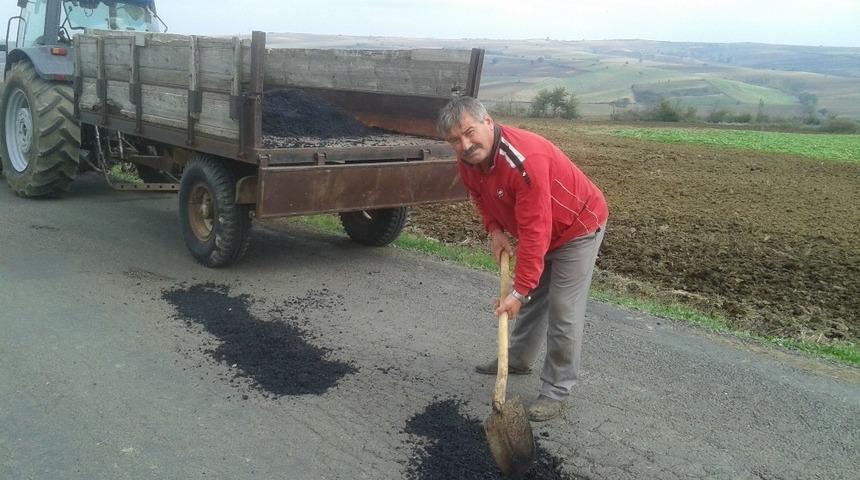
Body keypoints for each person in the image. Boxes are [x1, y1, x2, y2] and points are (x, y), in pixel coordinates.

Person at [437, 96, 608, 422]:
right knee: (530, 298)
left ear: (488, 122)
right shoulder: (469, 161)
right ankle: (516, 359)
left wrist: (520, 290)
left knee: (562, 307)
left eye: (470, 132)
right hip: (545, 229)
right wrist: (496, 230)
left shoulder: (523, 160)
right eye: (455, 141)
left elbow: (535, 231)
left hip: (578, 227)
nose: (465, 144)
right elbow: (479, 194)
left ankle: (556, 391)